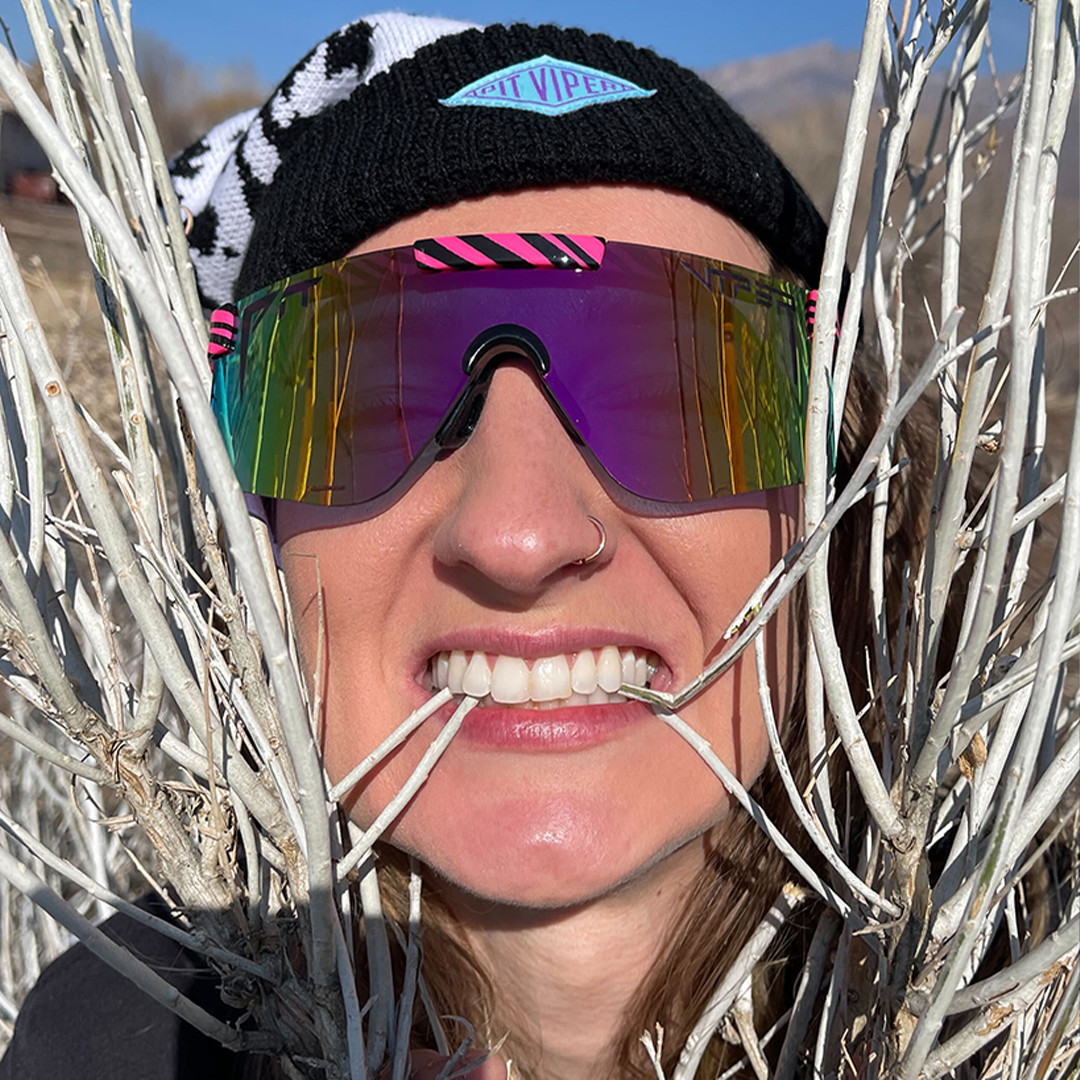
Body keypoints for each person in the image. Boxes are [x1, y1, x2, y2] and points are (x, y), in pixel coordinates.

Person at [1, 13, 933, 1080]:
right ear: (247, 534)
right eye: (365, 399)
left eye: (681, 392)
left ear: (843, 494)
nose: (518, 534)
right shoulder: (119, 1046)